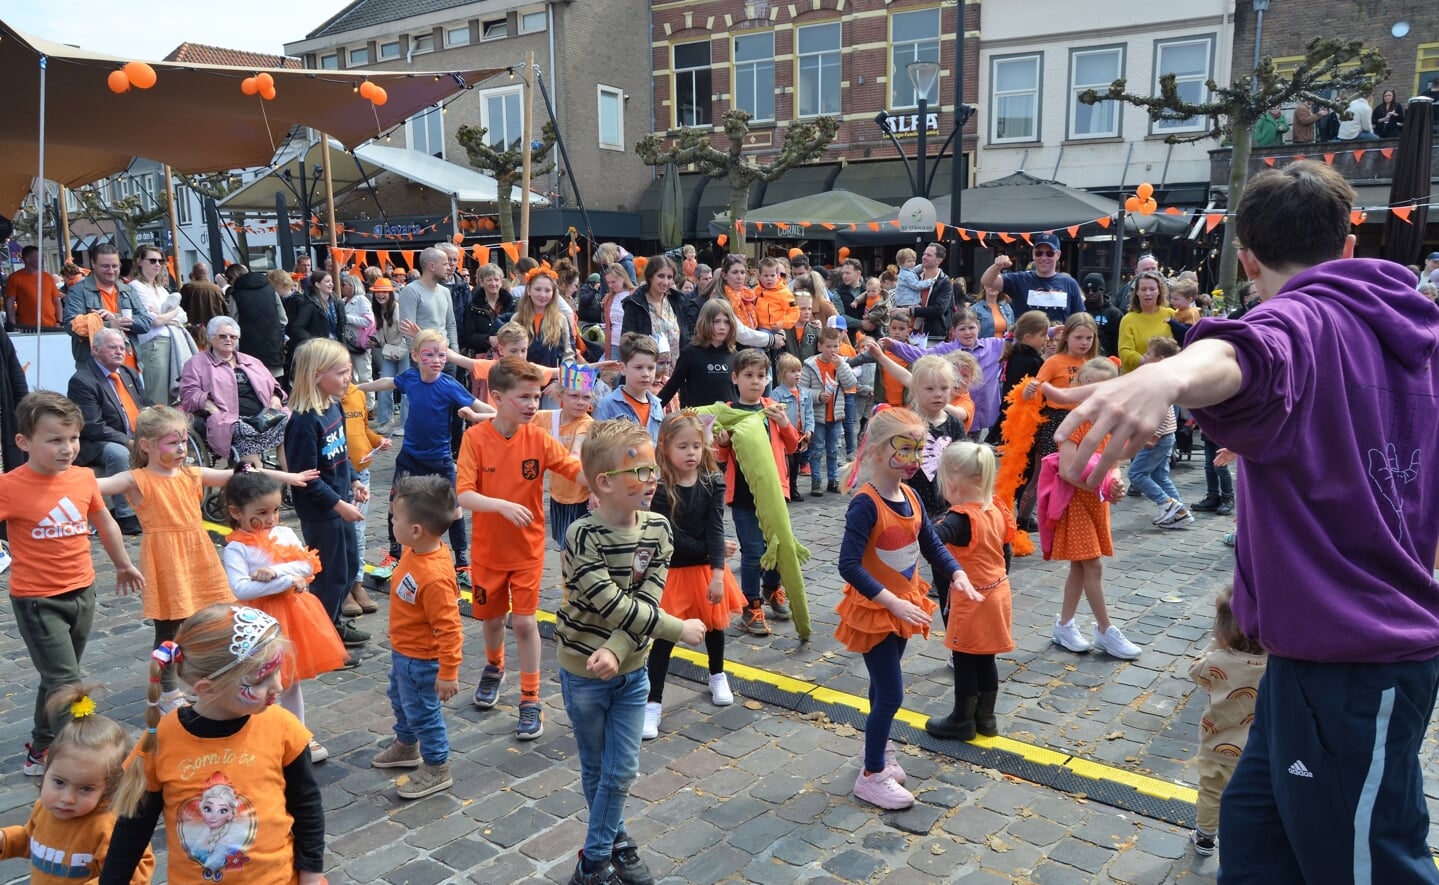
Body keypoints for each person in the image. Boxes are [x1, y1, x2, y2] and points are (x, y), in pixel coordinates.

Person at [1051, 159, 1439, 881]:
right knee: (1254, 833)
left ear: (1249, 260)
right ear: (1346, 245)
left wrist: (1168, 374)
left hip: (1354, 660)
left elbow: (1249, 352)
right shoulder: (1413, 331)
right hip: (1313, 659)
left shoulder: (1301, 318)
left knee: (1368, 865)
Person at [557, 419, 705, 885]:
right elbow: (609, 601)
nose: (651, 480)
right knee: (597, 767)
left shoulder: (658, 528)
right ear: (604, 482)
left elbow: (646, 599)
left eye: (651, 470)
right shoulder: (582, 536)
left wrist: (619, 651)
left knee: (621, 770)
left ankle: (592, 861)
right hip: (582, 670)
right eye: (639, 472)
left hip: (631, 668)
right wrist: (678, 629)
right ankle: (616, 842)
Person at [94, 404, 314, 702]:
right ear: (146, 445)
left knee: (211, 623)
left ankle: (200, 679)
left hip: (199, 556)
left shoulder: (191, 474)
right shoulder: (136, 480)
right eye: (173, 442)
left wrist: (286, 477)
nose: (182, 448)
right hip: (166, 561)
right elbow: (97, 485)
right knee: (170, 630)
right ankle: (167, 693)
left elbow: (239, 473)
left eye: (184, 440)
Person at [102, 604, 325, 884]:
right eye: (261, 679)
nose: (278, 686)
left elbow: (307, 807)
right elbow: (135, 824)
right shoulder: (162, 739)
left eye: (277, 671)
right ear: (208, 689)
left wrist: (311, 874)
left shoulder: (284, 729)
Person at [0, 392, 144, 776]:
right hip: (37, 600)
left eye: (73, 438)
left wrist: (124, 565)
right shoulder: (10, 487)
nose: (67, 449)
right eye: (55, 440)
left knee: (58, 678)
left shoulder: (83, 478)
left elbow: (106, 522)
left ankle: (41, 748)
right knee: (68, 683)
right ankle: (78, 766)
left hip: (83, 592)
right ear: (24, 442)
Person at [836, 406, 968, 810]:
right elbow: (848, 564)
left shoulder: (910, 495)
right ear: (877, 449)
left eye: (918, 450)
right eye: (904, 449)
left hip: (902, 607)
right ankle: (872, 774)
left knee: (882, 689)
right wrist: (890, 601)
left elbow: (930, 544)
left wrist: (957, 573)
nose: (913, 460)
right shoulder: (866, 503)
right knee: (891, 694)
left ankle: (875, 751)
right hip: (877, 611)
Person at [456, 357, 586, 740]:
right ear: (496, 398)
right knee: (492, 620)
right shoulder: (475, 439)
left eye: (535, 397)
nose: (532, 405)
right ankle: (494, 667)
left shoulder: (540, 439)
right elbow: (463, 495)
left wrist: (605, 479)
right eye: (524, 397)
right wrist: (498, 505)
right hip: (487, 551)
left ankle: (530, 698)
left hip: (527, 549)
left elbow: (573, 468)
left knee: (526, 622)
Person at [221, 471, 348, 761]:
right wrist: (287, 581)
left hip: (293, 614)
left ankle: (298, 734)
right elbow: (241, 586)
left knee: (290, 680)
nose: (271, 519)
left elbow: (307, 564)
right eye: (262, 513)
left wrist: (277, 573)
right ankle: (266, 733)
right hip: (258, 621)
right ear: (236, 513)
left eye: (276, 510)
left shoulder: (285, 533)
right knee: (262, 680)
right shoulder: (237, 548)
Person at [644, 413, 746, 739]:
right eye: (683, 446)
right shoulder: (659, 488)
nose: (691, 453)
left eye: (697, 446)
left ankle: (717, 674)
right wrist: (710, 551)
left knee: (715, 627)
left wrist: (717, 572)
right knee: (664, 638)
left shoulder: (712, 482)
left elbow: (716, 527)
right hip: (672, 570)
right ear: (665, 447)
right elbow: (670, 535)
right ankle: (652, 703)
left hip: (705, 570)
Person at [369, 475, 465, 800]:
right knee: (400, 699)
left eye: (395, 517)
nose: (391, 521)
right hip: (404, 652)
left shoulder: (434, 576)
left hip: (422, 660)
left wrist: (449, 672)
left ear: (415, 530)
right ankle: (406, 746)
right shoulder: (414, 551)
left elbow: (450, 628)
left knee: (424, 712)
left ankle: (437, 767)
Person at [1039, 358, 1142, 659]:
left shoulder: (1112, 421)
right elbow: (1068, 471)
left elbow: (1113, 462)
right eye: (1087, 386)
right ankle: (1105, 629)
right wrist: (1105, 487)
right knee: (1093, 566)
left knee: (1080, 567)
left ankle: (1065, 624)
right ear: (1076, 387)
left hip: (1096, 503)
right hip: (1077, 503)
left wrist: (1117, 481)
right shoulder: (1076, 422)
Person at [0, 684, 155, 882]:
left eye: (86, 788)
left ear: (110, 787)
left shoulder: (110, 828)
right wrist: (5, 840)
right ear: (46, 769)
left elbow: (131, 871)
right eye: (58, 782)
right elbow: (34, 841)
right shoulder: (45, 809)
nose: (67, 798)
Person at [284, 338, 370, 648]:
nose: (349, 377)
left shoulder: (332, 405)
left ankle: (333, 623)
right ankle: (322, 639)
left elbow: (342, 454)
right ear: (317, 374)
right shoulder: (304, 422)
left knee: (346, 568)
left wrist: (355, 482)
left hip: (340, 504)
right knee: (329, 577)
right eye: (342, 372)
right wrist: (337, 504)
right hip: (322, 512)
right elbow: (305, 477)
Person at [925, 441, 1015, 741]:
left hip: (971, 598)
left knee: (964, 659)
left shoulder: (959, 518)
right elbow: (1007, 551)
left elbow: (932, 542)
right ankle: (986, 718)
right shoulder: (997, 509)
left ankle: (961, 720)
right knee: (986, 658)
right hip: (998, 593)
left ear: (949, 482)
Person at [715, 349, 799, 636]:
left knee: (778, 546)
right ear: (735, 378)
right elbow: (720, 456)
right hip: (743, 496)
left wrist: (786, 424)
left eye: (761, 376)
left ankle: (772, 588)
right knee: (753, 551)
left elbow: (792, 445)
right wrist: (723, 443)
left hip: (775, 492)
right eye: (748, 376)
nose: (755, 382)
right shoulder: (727, 412)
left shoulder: (774, 408)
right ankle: (752, 606)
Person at [1187, 584, 1267, 858]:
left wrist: (1213, 645)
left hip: (1216, 746)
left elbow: (1194, 670)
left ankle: (1206, 837)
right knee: (1251, 798)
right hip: (1255, 750)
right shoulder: (1272, 662)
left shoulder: (1217, 661)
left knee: (1211, 792)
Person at [178, 316, 289, 469]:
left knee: (290, 423)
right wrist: (211, 407)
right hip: (230, 418)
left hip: (264, 415)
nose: (228, 340)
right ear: (211, 338)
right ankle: (257, 483)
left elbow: (275, 386)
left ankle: (292, 482)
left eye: (233, 336)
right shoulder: (197, 363)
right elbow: (189, 394)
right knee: (244, 431)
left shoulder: (251, 361)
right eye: (222, 336)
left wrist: (275, 398)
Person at [68, 328, 149, 534]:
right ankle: (125, 515)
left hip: (134, 433)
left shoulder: (128, 372)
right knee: (119, 452)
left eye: (122, 347)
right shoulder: (82, 380)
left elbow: (144, 403)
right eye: (113, 347)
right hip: (98, 441)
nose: (120, 352)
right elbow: (92, 426)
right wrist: (127, 440)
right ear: (95, 350)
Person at [1124, 337, 1194, 528]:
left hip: (1158, 437)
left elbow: (1163, 413)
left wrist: (1153, 436)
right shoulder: (1161, 378)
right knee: (1160, 476)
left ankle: (1167, 503)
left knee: (1136, 474)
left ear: (1160, 358)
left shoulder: (1159, 382)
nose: (1144, 356)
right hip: (1164, 437)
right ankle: (1180, 511)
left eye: (1148, 354)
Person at [533, 366, 596, 551]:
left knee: (575, 547)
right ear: (561, 395)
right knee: (562, 544)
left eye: (586, 397)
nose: (580, 402)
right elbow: (511, 418)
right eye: (574, 396)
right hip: (557, 494)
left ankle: (571, 580)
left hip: (580, 497)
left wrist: (594, 491)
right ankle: (566, 579)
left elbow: (579, 444)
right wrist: (476, 415)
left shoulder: (587, 423)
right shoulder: (549, 418)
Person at [62, 243, 153, 369]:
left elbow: (146, 322)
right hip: (96, 368)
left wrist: (116, 317)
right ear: (93, 264)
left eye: (115, 266)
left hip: (131, 366)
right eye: (105, 266)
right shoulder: (78, 291)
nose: (111, 271)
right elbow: (71, 326)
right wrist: (110, 325)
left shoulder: (128, 290)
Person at [128, 243, 193, 405]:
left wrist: (163, 316)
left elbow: (183, 316)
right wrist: (171, 314)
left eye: (160, 261)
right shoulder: (136, 287)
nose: (157, 264)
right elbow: (153, 321)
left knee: (173, 398)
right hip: (153, 345)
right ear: (139, 261)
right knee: (157, 397)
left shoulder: (161, 288)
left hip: (171, 342)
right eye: (152, 260)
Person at [802, 326, 859, 497]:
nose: (832, 350)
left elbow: (850, 383)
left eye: (835, 346)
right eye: (828, 346)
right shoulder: (810, 365)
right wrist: (818, 396)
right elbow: (802, 391)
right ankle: (816, 481)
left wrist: (841, 366)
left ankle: (833, 480)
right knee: (817, 449)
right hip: (818, 416)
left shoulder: (841, 363)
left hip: (836, 415)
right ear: (820, 346)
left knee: (834, 450)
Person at [979, 233, 1083, 323]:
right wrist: (997, 266)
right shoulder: (1020, 279)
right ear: (1033, 254)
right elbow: (986, 281)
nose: (1044, 258)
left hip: (1057, 343)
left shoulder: (1069, 283)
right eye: (1039, 253)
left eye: (1049, 253)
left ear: (1058, 255)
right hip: (1026, 343)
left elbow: (1079, 319)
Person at [657, 298, 737, 408]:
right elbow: (670, 388)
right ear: (705, 322)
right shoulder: (690, 354)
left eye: (727, 322)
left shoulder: (735, 355)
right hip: (699, 421)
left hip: (730, 420)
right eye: (716, 321)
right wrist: (650, 411)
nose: (722, 327)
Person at [620, 255, 688, 379]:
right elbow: (627, 341)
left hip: (676, 375)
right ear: (650, 276)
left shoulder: (677, 301)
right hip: (646, 376)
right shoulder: (635, 304)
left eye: (669, 277)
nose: (665, 282)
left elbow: (686, 337)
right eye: (661, 276)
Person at [594, 333, 665, 443]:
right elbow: (597, 446)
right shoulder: (607, 404)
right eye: (638, 367)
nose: (645, 374)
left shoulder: (657, 405)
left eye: (651, 368)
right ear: (622, 368)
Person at [227, 268, 287, 381]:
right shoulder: (271, 290)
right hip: (273, 345)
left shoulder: (235, 294)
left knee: (254, 382)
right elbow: (283, 318)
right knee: (275, 384)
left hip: (248, 347)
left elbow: (233, 322)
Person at [771, 353, 814, 502]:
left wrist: (809, 430)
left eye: (799, 371)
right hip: (785, 436)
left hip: (800, 436)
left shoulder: (805, 394)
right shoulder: (776, 394)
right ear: (783, 374)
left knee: (796, 463)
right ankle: (784, 489)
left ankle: (793, 487)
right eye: (793, 371)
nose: (797, 374)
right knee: (787, 463)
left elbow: (809, 413)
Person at [1116, 269, 1178, 373]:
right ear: (1137, 293)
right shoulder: (1128, 319)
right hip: (1137, 376)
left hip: (1166, 374)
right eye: (1143, 289)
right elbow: (1124, 351)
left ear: (1159, 291)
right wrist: (1146, 361)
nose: (1148, 293)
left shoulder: (1171, 314)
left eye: (1152, 289)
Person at [370, 277, 405, 432]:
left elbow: (406, 334)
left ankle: (406, 424)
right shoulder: (378, 310)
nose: (381, 295)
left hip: (403, 352)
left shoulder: (397, 309)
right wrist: (375, 340)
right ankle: (385, 421)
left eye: (384, 291)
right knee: (384, 386)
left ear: (390, 293)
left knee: (406, 388)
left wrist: (401, 351)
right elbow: (380, 332)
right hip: (389, 351)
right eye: (378, 292)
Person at [460, 263, 513, 358]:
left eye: (496, 280)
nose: (493, 283)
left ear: (501, 281)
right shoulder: (472, 307)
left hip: (510, 354)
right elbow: (467, 337)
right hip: (484, 357)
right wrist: (487, 339)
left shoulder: (512, 304)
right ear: (481, 282)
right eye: (489, 280)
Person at [5, 244, 63, 329]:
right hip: (28, 327)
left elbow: (56, 301)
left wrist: (59, 321)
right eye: (37, 257)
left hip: (51, 325)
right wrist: (13, 324)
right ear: (27, 260)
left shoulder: (48, 277)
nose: (42, 260)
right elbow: (10, 302)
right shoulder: (15, 278)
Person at [178, 262, 232, 349]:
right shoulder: (217, 289)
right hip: (213, 330)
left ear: (194, 273)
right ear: (207, 273)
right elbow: (226, 311)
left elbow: (180, 308)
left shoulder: (188, 288)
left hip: (194, 331)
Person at [910, 243, 955, 343]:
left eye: (929, 255)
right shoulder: (914, 276)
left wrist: (910, 311)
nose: (924, 257)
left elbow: (938, 309)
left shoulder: (944, 281)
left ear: (939, 260)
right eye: (924, 254)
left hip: (933, 335)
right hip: (909, 333)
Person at [1081, 273, 1124, 358]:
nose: (1090, 293)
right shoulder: (1080, 310)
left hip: (1106, 360)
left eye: (1094, 289)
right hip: (1083, 358)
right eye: (1086, 290)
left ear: (1102, 290)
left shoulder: (1114, 314)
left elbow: (1119, 341)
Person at [891, 247, 935, 313]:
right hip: (908, 303)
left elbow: (913, 270)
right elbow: (916, 285)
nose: (912, 263)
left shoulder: (905, 271)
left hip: (904, 301)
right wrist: (930, 281)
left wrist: (921, 266)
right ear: (901, 263)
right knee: (918, 316)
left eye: (913, 261)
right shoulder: (906, 275)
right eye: (909, 261)